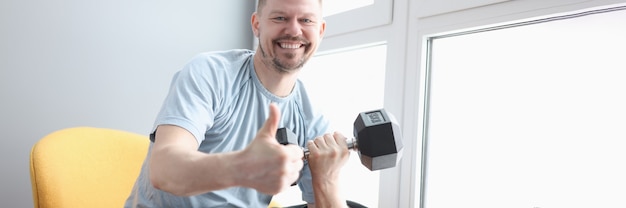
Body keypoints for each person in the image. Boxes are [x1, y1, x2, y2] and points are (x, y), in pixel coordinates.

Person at [124, 0, 352, 207]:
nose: (293, 30)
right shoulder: (210, 73)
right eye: (280, 18)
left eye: (306, 20)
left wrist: (327, 181)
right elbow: (164, 170)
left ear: (320, 31)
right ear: (256, 24)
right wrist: (244, 167)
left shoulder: (312, 119)